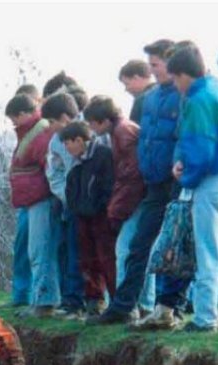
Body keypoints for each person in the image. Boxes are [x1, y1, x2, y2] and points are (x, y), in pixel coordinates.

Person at [95, 39, 186, 329]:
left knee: (175, 247)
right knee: (139, 245)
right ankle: (124, 306)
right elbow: (145, 140)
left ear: (171, 63)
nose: (152, 70)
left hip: (177, 181)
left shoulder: (185, 96)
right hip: (154, 184)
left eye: (155, 65)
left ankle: (172, 307)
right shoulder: (150, 98)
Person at [169, 43, 218, 332]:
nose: (175, 85)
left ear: (183, 74)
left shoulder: (200, 98)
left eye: (175, 79)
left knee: (207, 249)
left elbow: (201, 149)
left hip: (211, 181)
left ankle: (204, 318)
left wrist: (185, 174)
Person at [82, 96, 150, 323]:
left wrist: (118, 209)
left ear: (101, 120)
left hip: (136, 200)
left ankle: (124, 308)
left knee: (124, 250)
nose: (90, 128)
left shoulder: (122, 133)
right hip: (138, 198)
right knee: (139, 251)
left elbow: (131, 176)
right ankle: (142, 305)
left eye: (91, 123)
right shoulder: (120, 131)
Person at [6, 93, 58, 315]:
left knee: (40, 250)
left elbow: (49, 168)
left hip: (41, 199)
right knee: (36, 250)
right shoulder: (31, 133)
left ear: (25, 114)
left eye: (14, 118)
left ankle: (43, 302)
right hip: (34, 200)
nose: (13, 124)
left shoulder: (39, 135)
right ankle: (42, 299)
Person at [62, 121, 116, 316]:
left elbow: (108, 185)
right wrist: (76, 207)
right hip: (82, 217)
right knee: (87, 260)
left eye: (68, 143)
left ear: (79, 140)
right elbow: (71, 188)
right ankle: (94, 301)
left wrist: (99, 206)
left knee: (107, 258)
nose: (66, 148)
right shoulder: (77, 161)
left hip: (101, 216)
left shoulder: (103, 155)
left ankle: (116, 302)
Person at [43, 91, 86, 318]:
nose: (49, 128)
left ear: (64, 118)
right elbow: (54, 173)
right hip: (69, 204)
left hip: (93, 204)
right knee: (68, 250)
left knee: (90, 253)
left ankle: (92, 301)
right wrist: (67, 196)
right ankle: (71, 301)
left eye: (51, 123)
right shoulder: (55, 142)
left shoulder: (90, 132)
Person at [118, 59, 156, 125]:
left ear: (136, 78)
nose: (126, 89)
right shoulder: (167, 93)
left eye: (127, 84)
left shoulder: (141, 100)